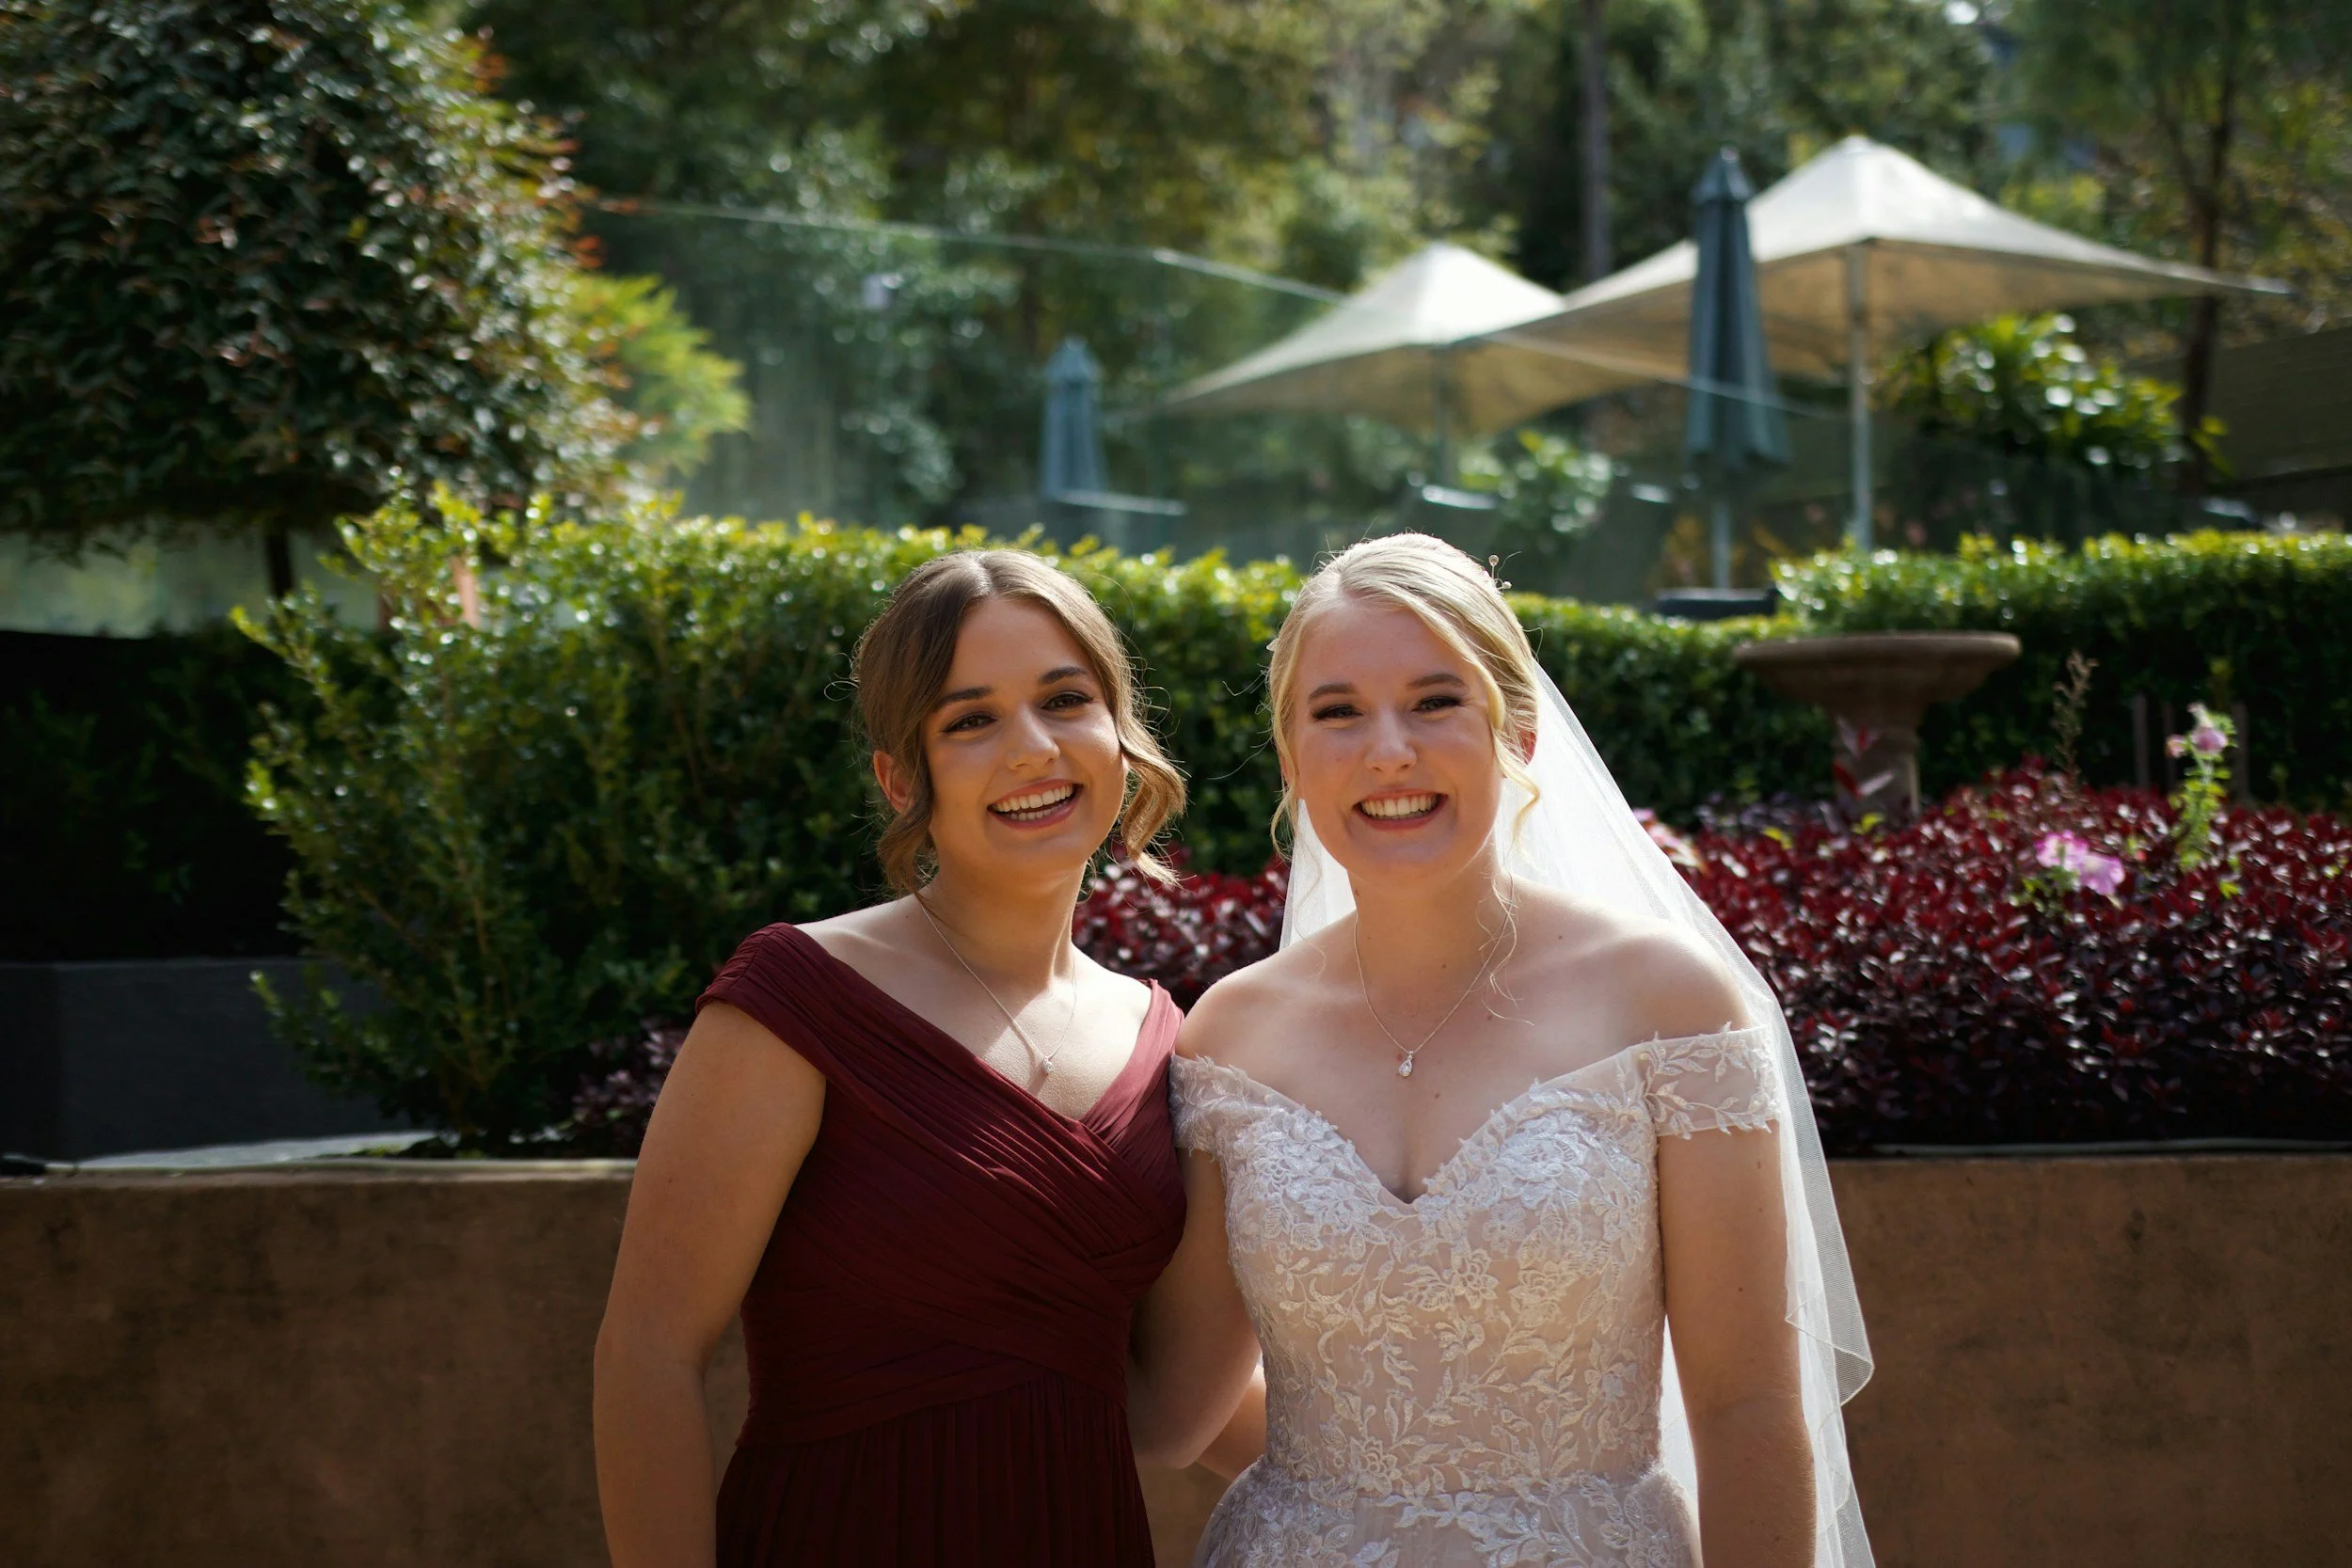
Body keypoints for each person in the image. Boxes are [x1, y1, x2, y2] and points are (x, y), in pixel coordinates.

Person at [1130, 534, 1873, 1567]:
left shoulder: (1665, 1004)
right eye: (1336, 710)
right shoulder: (1230, 1036)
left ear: (1517, 732)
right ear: (1293, 758)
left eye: (1435, 701)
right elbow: (1169, 1408)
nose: (1388, 749)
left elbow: (1747, 1404)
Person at [595, 549, 1194, 1568]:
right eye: (970, 719)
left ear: (1120, 735)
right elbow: (649, 1351)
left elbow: (1166, 1404)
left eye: (1065, 698)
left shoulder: (1163, 1036)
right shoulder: (797, 999)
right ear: (899, 774)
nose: (1033, 747)